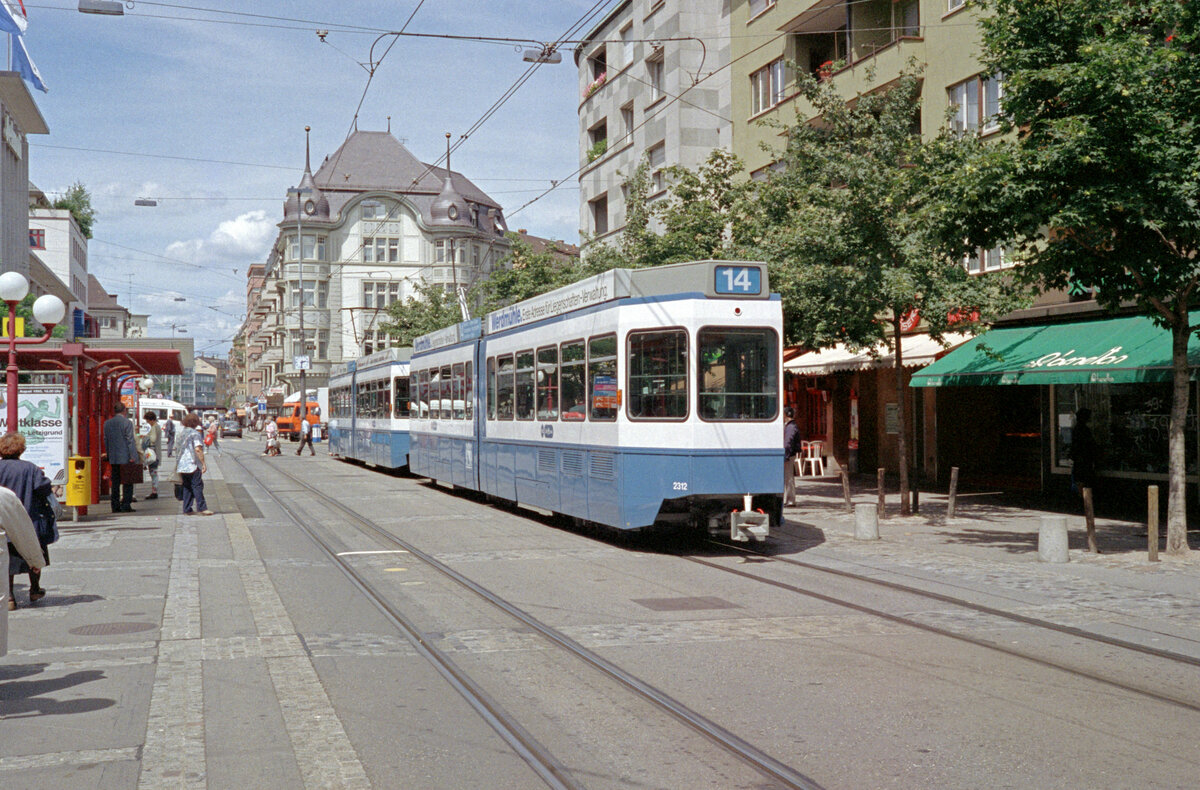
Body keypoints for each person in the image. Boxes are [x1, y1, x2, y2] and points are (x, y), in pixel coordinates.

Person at [0, 432, 56, 608]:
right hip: (29, 519)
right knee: (34, 554)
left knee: (8, 560)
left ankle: (9, 597)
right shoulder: (30, 468)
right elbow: (42, 487)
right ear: (21, 449)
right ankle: (35, 589)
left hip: (5, 520)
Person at [2, 484, 45, 610]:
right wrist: (35, 561)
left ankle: (10, 597)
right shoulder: (4, 496)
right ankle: (32, 589)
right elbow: (23, 534)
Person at [103, 402, 139, 513]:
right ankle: (126, 504)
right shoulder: (127, 423)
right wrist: (133, 456)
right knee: (128, 481)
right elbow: (130, 441)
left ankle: (115, 505)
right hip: (125, 457)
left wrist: (109, 454)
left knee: (115, 482)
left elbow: (106, 440)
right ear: (124, 410)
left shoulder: (107, 423)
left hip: (113, 457)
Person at [174, 413, 213, 516]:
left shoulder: (181, 433)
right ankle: (202, 508)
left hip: (182, 464)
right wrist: (203, 463)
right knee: (197, 485)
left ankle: (187, 508)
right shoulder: (195, 434)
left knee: (187, 486)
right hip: (192, 464)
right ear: (195, 422)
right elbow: (198, 449)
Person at [1071, 408, 1098, 494]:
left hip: (1079, 460)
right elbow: (1090, 445)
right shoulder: (1085, 430)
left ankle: (1082, 500)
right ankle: (1086, 502)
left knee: (1080, 481)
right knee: (1085, 483)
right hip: (1084, 460)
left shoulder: (1076, 429)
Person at [141, 411, 163, 500]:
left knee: (153, 473)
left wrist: (145, 437)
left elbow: (153, 439)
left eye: (147, 420)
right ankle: (154, 491)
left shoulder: (154, 427)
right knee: (154, 472)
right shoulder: (157, 427)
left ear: (151, 420)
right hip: (157, 453)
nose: (147, 422)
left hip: (153, 454)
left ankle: (154, 492)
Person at [783, 406, 801, 507]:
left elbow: (787, 443)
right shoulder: (791, 426)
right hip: (789, 454)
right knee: (788, 477)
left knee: (788, 477)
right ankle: (789, 499)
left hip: (789, 455)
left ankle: (790, 500)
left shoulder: (790, 427)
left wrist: (786, 456)